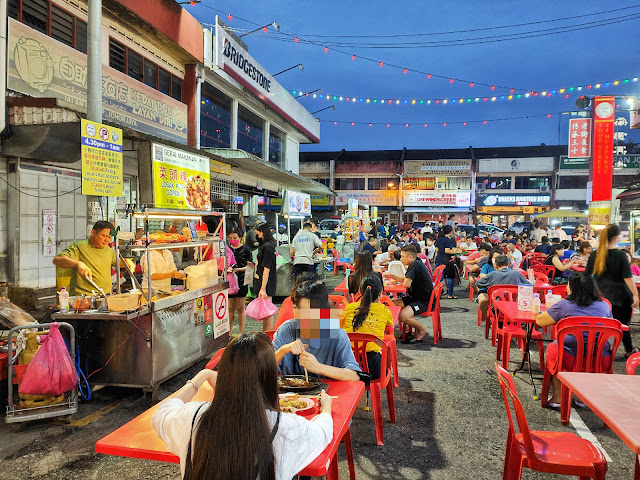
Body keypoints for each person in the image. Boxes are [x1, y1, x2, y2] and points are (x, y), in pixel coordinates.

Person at [152, 332, 333, 480]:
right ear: (270, 378)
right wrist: (325, 408)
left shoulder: (193, 418)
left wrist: (202, 375)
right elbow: (324, 432)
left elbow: (164, 411)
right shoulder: (286, 427)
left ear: (224, 374)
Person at [535, 273, 613, 407]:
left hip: (569, 358)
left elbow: (540, 321)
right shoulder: (604, 306)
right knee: (589, 351)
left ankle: (558, 397)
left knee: (554, 348)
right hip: (601, 359)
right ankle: (582, 398)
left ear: (571, 288)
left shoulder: (564, 305)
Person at [273, 282, 361, 381]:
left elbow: (354, 376)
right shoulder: (286, 330)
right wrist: (282, 350)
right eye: (299, 309)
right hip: (293, 395)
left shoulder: (337, 334)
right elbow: (263, 369)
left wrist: (318, 367)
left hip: (329, 394)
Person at [586, 224, 640, 357]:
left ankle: (597, 350)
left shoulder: (595, 254)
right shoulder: (620, 255)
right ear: (616, 237)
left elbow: (587, 276)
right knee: (622, 325)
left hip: (599, 296)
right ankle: (629, 351)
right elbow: (627, 278)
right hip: (619, 297)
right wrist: (635, 294)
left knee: (599, 324)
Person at [342, 274, 393, 380]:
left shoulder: (349, 308)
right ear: (380, 294)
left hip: (347, 364)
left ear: (360, 292)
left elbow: (342, 326)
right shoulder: (384, 310)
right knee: (384, 362)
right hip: (373, 368)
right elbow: (389, 324)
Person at [53, 220, 117, 296]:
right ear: (93, 233)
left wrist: (127, 262)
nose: (107, 240)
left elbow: (116, 262)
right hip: (83, 298)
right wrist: (77, 264)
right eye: (104, 236)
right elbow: (57, 260)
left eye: (109, 237)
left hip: (104, 296)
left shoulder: (107, 250)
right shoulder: (80, 246)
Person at [387, 245, 434, 343]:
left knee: (403, 315)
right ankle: (405, 331)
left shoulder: (415, 265)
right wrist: (391, 275)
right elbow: (405, 278)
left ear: (410, 257)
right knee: (392, 304)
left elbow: (406, 284)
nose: (401, 259)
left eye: (403, 257)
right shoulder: (417, 262)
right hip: (415, 297)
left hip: (424, 301)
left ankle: (421, 329)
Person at [476, 255, 531, 324]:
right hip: (514, 306)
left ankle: (489, 319)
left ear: (495, 265)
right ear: (509, 264)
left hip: (495, 307)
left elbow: (479, 283)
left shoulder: (492, 274)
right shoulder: (516, 274)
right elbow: (529, 286)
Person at [253, 222, 278, 331]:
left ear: (262, 232)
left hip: (266, 282)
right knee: (265, 310)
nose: (256, 236)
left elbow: (266, 269)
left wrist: (263, 288)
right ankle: (265, 333)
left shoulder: (268, 247)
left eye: (257, 233)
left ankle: (267, 334)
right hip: (263, 280)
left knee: (267, 311)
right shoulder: (265, 245)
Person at [227, 231, 252, 334]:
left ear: (240, 237)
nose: (232, 240)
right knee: (230, 308)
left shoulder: (246, 249)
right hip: (229, 282)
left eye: (235, 237)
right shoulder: (227, 249)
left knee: (241, 308)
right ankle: (229, 331)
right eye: (230, 238)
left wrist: (238, 270)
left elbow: (250, 266)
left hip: (242, 282)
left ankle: (241, 332)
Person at [435, 225, 462, 299]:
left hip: (439, 259)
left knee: (439, 278)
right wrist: (457, 251)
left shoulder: (439, 239)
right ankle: (450, 294)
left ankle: (437, 294)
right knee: (450, 277)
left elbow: (437, 250)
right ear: (450, 232)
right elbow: (447, 250)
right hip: (447, 261)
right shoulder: (448, 240)